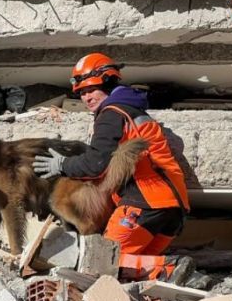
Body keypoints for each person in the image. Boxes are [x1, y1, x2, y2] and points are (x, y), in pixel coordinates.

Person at [33, 53, 195, 284]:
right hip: (173, 209)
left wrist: (62, 164)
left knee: (103, 260)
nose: (86, 97)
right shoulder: (134, 110)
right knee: (133, 269)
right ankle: (170, 276)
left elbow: (96, 165)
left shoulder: (112, 114)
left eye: (91, 89)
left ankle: (172, 265)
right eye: (81, 93)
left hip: (144, 205)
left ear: (108, 82)